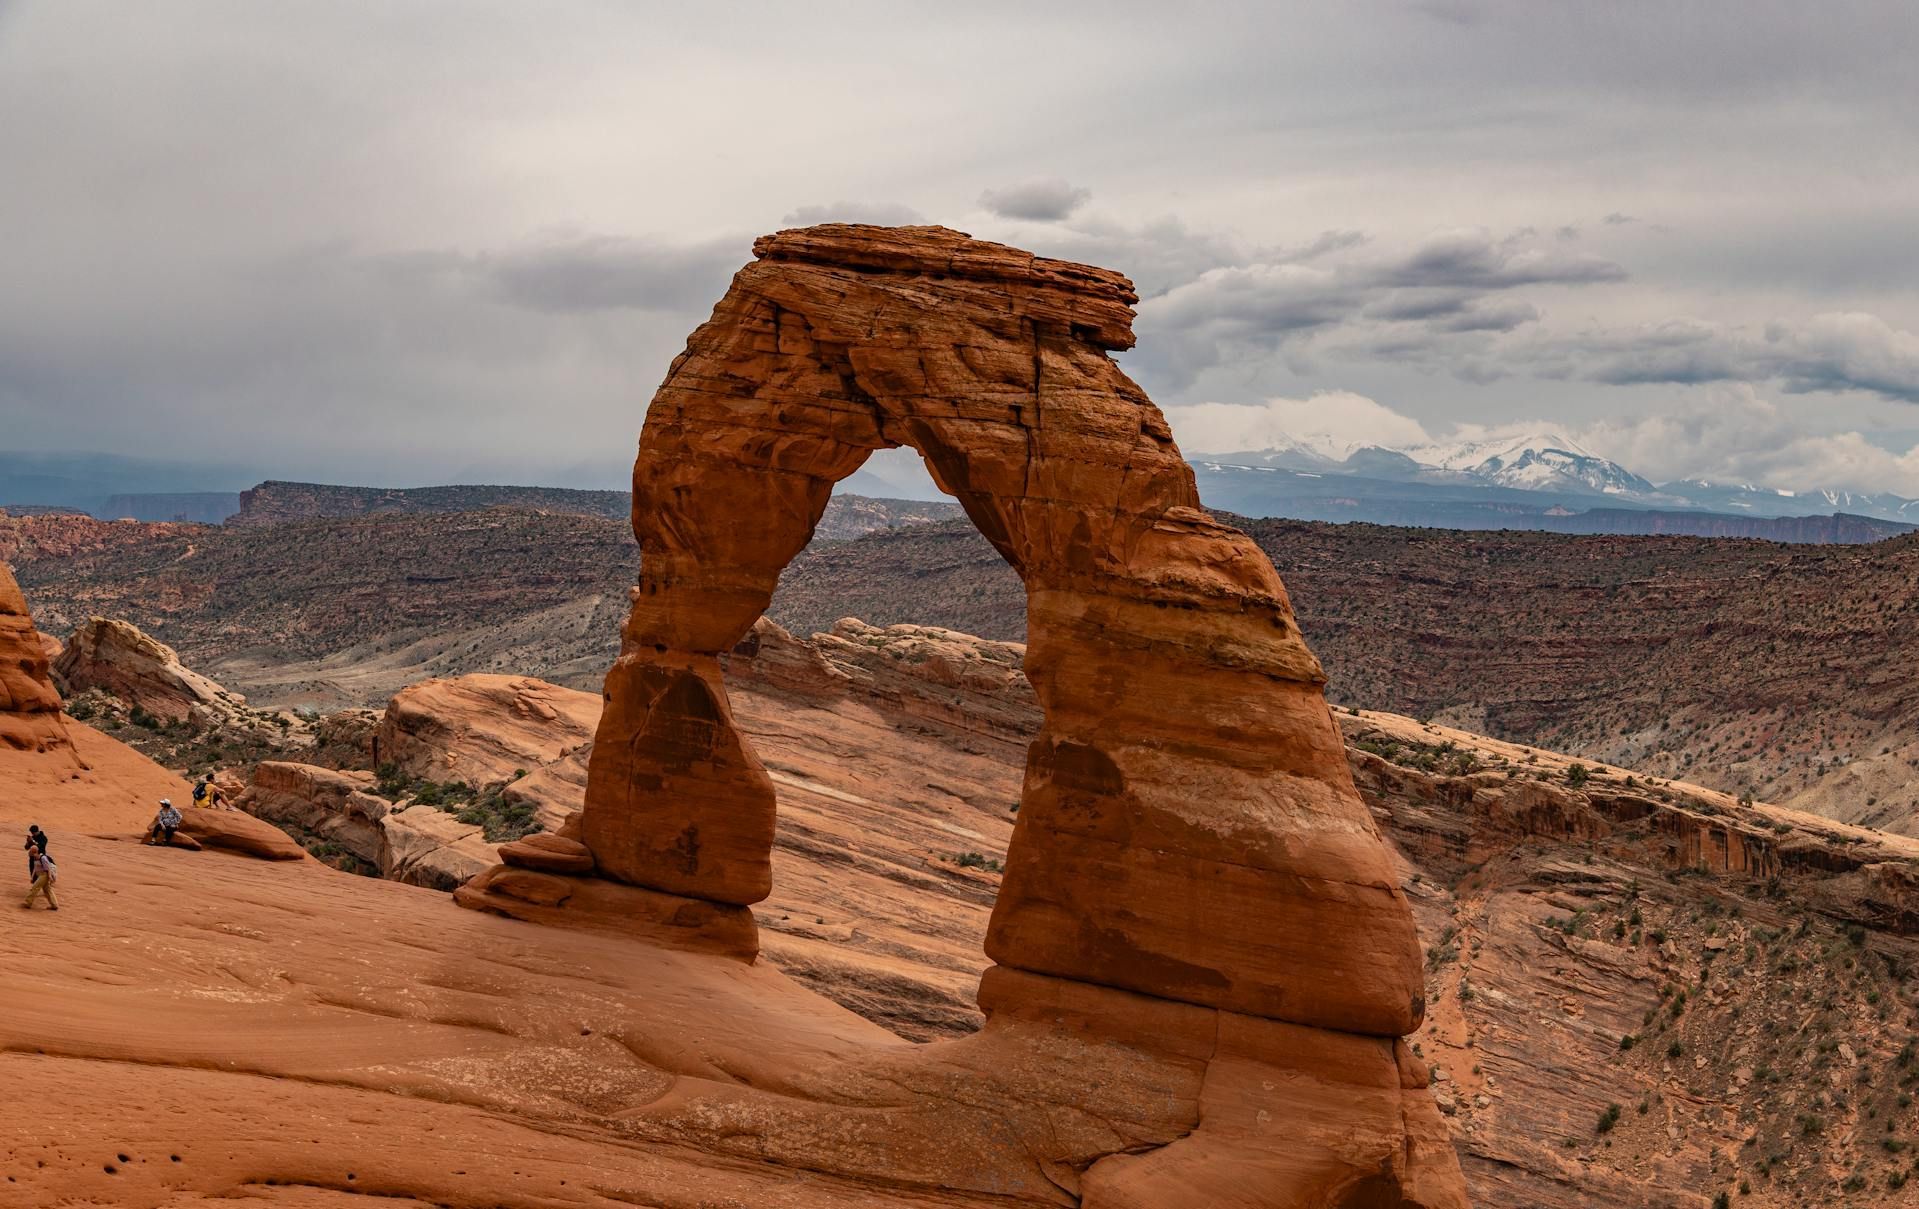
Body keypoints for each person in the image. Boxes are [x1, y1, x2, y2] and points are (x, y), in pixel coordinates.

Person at [22, 843, 56, 911]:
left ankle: (28, 902)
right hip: (40, 875)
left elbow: (48, 868)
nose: (29, 852)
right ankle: (54, 905)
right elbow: (35, 868)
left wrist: (49, 876)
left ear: (34, 852)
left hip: (44, 875)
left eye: (30, 851)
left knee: (35, 887)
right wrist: (32, 877)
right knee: (47, 890)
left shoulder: (43, 858)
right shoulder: (35, 858)